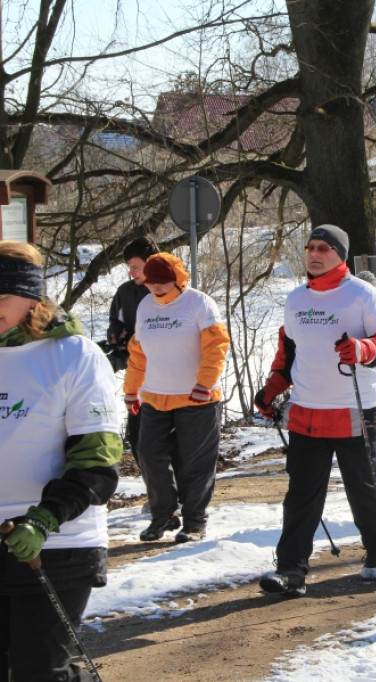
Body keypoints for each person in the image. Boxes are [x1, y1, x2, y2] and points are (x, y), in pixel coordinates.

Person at [255, 225, 376, 595]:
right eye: (310, 247)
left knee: (363, 488)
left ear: (340, 253)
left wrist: (364, 349)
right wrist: (271, 389)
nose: (314, 254)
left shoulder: (361, 294)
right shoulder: (296, 299)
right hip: (306, 411)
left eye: (323, 248)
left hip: (354, 409)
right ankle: (291, 570)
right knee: (302, 494)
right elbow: (288, 353)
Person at [0, 241, 122, 681]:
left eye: (0, 295)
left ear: (32, 299)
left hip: (56, 542)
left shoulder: (74, 356)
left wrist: (45, 518)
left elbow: (97, 461)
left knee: (38, 671)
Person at [124, 252, 230, 543]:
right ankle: (163, 515)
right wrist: (131, 390)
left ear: (178, 278)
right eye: (152, 283)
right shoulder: (146, 306)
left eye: (164, 282)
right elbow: (138, 353)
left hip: (198, 398)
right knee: (148, 453)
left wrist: (204, 383)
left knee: (196, 461)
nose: (157, 288)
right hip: (156, 395)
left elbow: (216, 346)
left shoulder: (199, 303)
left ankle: (195, 522)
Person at [106, 236, 159, 458]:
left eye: (135, 267)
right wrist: (115, 335)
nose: (131, 272)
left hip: (167, 378)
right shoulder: (125, 292)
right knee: (138, 439)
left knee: (162, 441)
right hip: (136, 378)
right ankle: (154, 488)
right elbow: (115, 321)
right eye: (129, 267)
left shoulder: (170, 289)